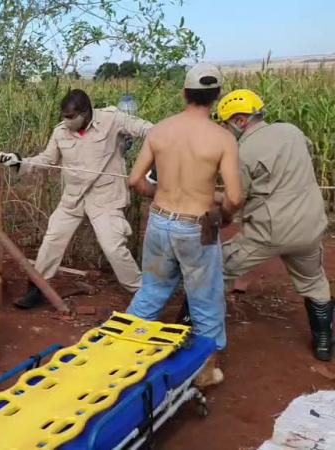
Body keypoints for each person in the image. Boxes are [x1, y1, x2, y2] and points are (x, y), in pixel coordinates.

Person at [127, 63, 244, 387]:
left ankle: (122, 357)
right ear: (217, 97)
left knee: (151, 291)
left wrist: (159, 193)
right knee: (206, 299)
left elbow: (135, 180)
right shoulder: (222, 139)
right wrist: (223, 213)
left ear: (184, 93)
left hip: (160, 221)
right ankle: (205, 372)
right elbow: (235, 196)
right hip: (197, 227)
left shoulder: (160, 130)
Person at [0, 89, 152, 308]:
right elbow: (47, 159)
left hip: (105, 198)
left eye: (71, 117)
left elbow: (148, 130)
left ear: (85, 113)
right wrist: (17, 162)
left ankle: (143, 294)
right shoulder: (60, 132)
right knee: (52, 240)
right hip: (73, 198)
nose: (66, 121)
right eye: (64, 116)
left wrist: (160, 152)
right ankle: (38, 288)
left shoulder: (112, 119)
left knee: (113, 247)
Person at [216, 89, 333, 361]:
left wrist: (220, 212)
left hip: (269, 231)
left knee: (218, 268)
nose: (226, 129)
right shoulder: (291, 130)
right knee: (314, 281)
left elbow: (236, 198)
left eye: (226, 123)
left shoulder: (242, 151)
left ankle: (192, 326)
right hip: (311, 226)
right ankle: (325, 342)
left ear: (240, 120)